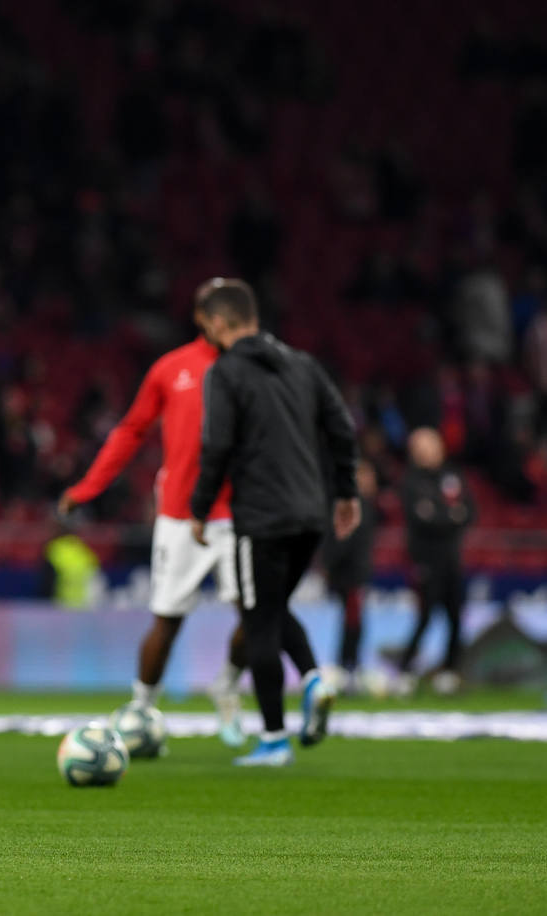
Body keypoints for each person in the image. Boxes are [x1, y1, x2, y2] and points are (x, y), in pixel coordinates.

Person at [58, 279, 247, 747]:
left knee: (257, 617)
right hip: (181, 517)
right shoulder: (172, 368)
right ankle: (141, 706)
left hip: (241, 514)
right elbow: (131, 430)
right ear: (203, 318)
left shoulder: (255, 368)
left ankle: (226, 683)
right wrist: (89, 486)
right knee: (168, 619)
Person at [189, 278, 359, 767]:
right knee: (274, 608)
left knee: (257, 619)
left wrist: (199, 507)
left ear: (219, 323)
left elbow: (217, 446)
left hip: (261, 517)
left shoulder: (225, 373)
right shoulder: (303, 365)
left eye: (206, 328)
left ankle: (273, 739)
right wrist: (346, 490)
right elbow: (342, 428)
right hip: (310, 514)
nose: (207, 337)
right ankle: (314, 679)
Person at [397, 427, 475, 696]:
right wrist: (450, 515)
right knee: (425, 616)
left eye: (430, 446)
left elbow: (469, 512)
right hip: (425, 561)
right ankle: (406, 669)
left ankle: (450, 672)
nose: (427, 452)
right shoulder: (410, 481)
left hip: (452, 559)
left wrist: (440, 515)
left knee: (455, 617)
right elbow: (420, 518)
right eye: (421, 448)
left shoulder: (453, 475)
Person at [321, 459, 378, 687]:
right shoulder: (353, 507)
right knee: (352, 623)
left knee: (354, 622)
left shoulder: (364, 506)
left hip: (354, 573)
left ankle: (349, 666)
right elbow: (339, 542)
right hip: (350, 575)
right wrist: (332, 566)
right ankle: (347, 668)